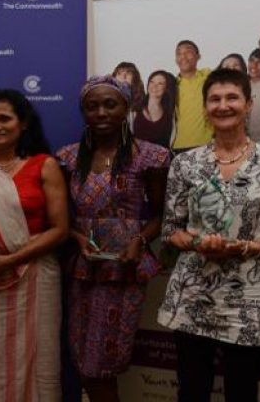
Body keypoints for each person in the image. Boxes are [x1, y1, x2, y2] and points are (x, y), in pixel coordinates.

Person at [156, 69, 260, 402]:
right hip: (194, 296)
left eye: (232, 98)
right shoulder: (185, 163)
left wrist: (248, 247)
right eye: (215, 99)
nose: (223, 105)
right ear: (204, 107)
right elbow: (170, 230)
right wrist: (198, 243)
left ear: (248, 105)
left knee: (242, 392)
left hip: (250, 299)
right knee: (192, 390)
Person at [57, 75, 170, 402]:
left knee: (102, 363)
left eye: (110, 104)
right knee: (81, 359)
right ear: (83, 112)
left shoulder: (150, 156)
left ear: (127, 107)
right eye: (92, 106)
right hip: (83, 270)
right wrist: (77, 238)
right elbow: (62, 218)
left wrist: (141, 240)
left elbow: (162, 215)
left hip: (125, 271)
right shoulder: (67, 157)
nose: (101, 112)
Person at [0, 89, 69, 401]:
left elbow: (60, 230)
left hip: (36, 275)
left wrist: (10, 260)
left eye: (4, 118)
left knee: (38, 355)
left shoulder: (44, 165)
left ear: (24, 123)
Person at [172, 40, 212, 154]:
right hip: (179, 146)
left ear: (198, 56)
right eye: (179, 53)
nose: (183, 56)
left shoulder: (208, 75)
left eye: (188, 52)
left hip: (207, 144)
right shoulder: (172, 84)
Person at [132, 70, 177, 148]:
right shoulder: (134, 110)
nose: (154, 86)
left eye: (160, 83)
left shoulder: (170, 114)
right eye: (152, 82)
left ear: (166, 88)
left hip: (161, 159)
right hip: (136, 159)